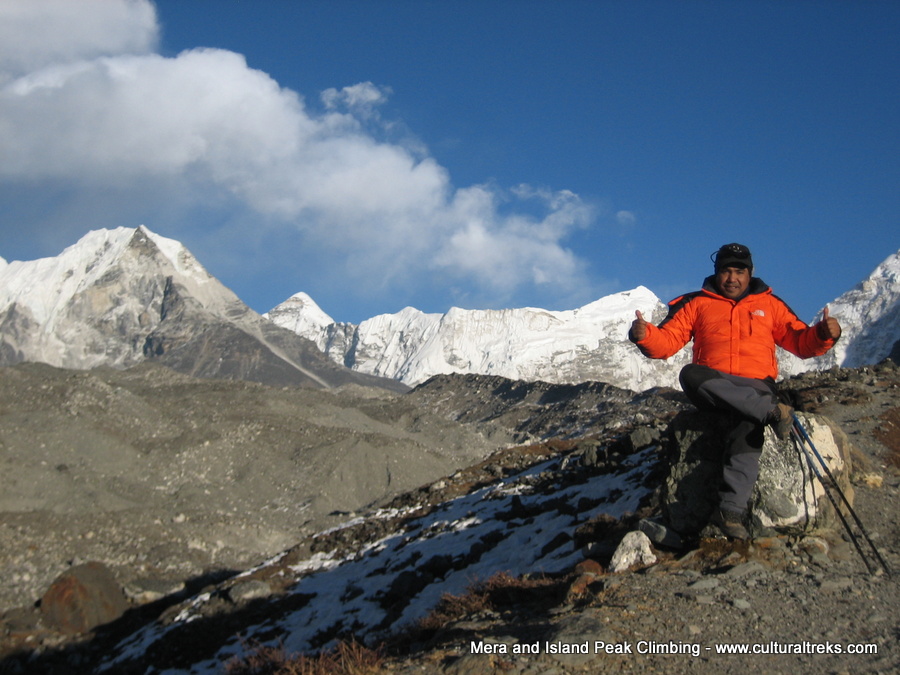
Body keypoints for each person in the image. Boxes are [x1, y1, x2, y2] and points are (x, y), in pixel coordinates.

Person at [629, 243, 841, 539]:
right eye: (725, 271)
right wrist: (644, 335)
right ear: (716, 273)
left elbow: (799, 342)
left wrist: (823, 334)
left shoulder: (771, 305)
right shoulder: (696, 303)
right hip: (715, 385)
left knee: (747, 426)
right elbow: (667, 341)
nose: (731, 278)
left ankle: (730, 514)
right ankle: (768, 412)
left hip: (757, 386)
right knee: (690, 374)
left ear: (750, 273)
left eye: (738, 271)